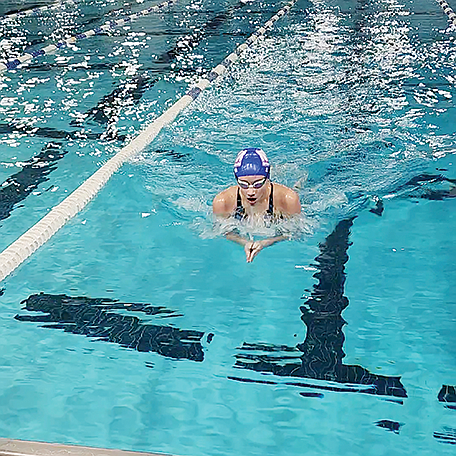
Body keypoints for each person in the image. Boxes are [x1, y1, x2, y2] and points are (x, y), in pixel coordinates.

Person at [213, 147, 301, 262]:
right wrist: (244, 242)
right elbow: (224, 232)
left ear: (267, 178)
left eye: (258, 184)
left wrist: (268, 241)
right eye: (243, 184)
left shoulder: (287, 200)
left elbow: (297, 232)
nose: (250, 192)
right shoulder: (223, 202)